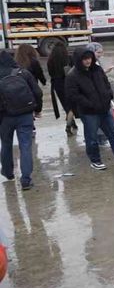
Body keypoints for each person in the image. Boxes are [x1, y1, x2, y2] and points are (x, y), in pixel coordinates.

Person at [64, 47, 114, 170]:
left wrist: (109, 95)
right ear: (79, 60)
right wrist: (89, 104)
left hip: (105, 108)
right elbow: (73, 95)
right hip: (89, 112)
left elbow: (106, 83)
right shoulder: (73, 75)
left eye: (89, 58)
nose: (88, 61)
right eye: (85, 59)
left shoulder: (97, 70)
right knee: (92, 138)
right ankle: (95, 160)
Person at [0, 49, 42, 190]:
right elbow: (37, 92)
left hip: (4, 117)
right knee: (25, 146)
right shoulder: (23, 73)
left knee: (6, 145)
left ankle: (8, 172)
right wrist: (37, 109)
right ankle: (26, 179)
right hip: (25, 115)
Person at [46, 42, 77, 135]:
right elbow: (73, 71)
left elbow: (50, 74)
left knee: (66, 105)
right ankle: (69, 125)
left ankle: (72, 123)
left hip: (57, 84)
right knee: (71, 105)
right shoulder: (68, 58)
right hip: (68, 83)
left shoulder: (50, 60)